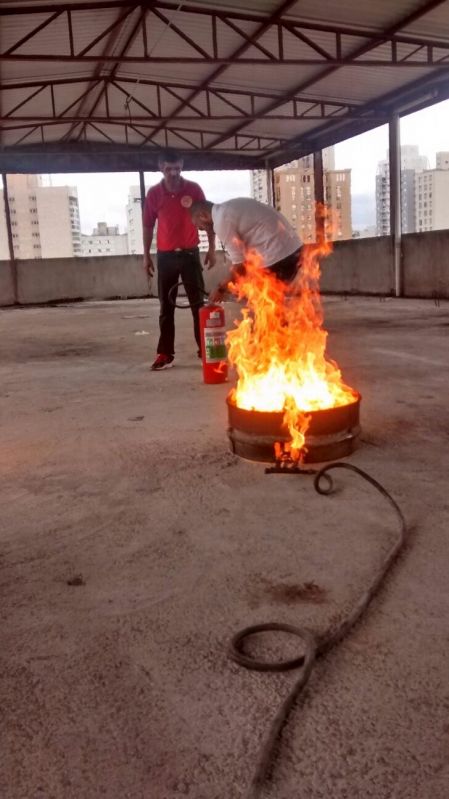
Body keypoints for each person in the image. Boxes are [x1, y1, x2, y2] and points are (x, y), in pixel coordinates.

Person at [143, 148, 215, 371]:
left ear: (182, 166)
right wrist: (146, 256)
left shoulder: (193, 189)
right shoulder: (154, 193)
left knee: (198, 305)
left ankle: (204, 350)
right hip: (165, 257)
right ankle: (165, 353)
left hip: (190, 254)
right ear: (161, 168)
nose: (173, 173)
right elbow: (147, 226)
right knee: (166, 306)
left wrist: (211, 248)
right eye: (168, 168)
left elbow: (207, 217)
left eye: (177, 168)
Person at [190, 197, 302, 302]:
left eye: (197, 225)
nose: (200, 229)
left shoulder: (221, 221)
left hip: (278, 255)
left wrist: (221, 289)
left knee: (266, 302)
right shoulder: (228, 209)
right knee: (269, 302)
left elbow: (240, 265)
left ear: (203, 215)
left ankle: (279, 322)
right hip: (292, 249)